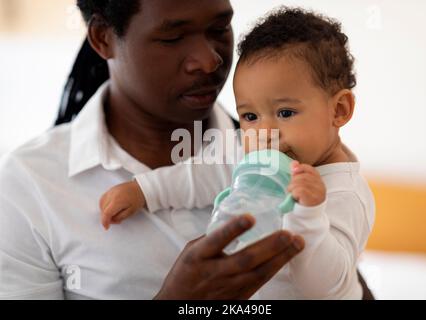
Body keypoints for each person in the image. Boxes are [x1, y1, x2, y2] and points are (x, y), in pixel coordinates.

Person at [0, 0, 304, 300]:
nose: (209, 61)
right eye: (173, 38)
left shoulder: (290, 157)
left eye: (219, 28)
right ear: (103, 38)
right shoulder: (30, 182)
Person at [99, 7, 376, 299]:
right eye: (250, 116)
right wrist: (145, 190)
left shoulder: (345, 194)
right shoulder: (254, 152)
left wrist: (308, 214)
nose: (264, 132)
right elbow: (201, 174)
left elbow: (327, 289)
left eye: (285, 112)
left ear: (339, 110)